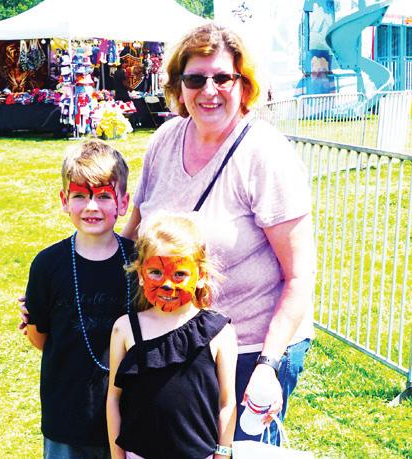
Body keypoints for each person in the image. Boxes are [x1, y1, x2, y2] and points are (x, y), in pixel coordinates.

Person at [121, 23, 315, 444]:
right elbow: (132, 238)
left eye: (222, 77)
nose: (209, 90)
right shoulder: (166, 139)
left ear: (244, 85)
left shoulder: (265, 154)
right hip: (174, 341)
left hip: (249, 350)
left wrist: (267, 364)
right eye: (195, 79)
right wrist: (65, 290)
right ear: (179, 86)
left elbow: (299, 277)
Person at [21, 139, 133, 458]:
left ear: (123, 202)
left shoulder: (140, 264)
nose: (92, 206)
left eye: (104, 196)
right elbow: (40, 337)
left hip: (131, 415)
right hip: (67, 416)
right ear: (64, 200)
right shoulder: (47, 265)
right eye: (80, 196)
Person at [107, 212, 238, 459]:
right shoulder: (125, 329)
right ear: (141, 275)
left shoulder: (221, 333)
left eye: (179, 274)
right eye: (156, 272)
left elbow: (227, 402)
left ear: (201, 276)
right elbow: (114, 398)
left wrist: (223, 454)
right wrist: (117, 456)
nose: (168, 285)